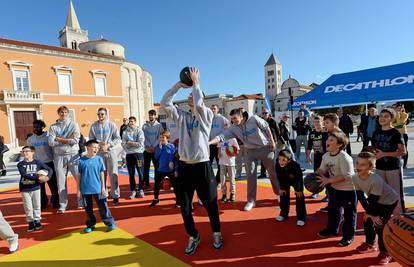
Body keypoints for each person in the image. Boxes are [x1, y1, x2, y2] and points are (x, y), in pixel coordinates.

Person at [161, 67, 223, 256]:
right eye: (189, 97)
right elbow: (165, 102)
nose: (191, 98)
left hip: (203, 166)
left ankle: (217, 233)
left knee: (211, 203)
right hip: (186, 168)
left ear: (201, 100)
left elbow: (198, 101)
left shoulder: (207, 116)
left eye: (194, 97)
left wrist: (196, 83)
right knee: (185, 208)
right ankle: (193, 235)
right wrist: (179, 85)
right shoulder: (182, 117)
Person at [210, 108, 279, 212]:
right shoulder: (233, 128)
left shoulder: (254, 119)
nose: (233, 120)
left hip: (265, 147)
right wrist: (210, 142)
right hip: (250, 151)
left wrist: (272, 141)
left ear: (241, 116)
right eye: (232, 119)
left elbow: (266, 127)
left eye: (235, 118)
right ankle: (251, 200)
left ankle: (278, 193)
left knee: (272, 172)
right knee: (250, 174)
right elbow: (222, 136)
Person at [353, 152, 399, 265]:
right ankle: (370, 244)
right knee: (367, 220)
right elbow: (361, 197)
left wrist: (372, 214)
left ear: (371, 167)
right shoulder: (355, 177)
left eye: (363, 164)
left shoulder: (375, 179)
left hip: (389, 201)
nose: (358, 166)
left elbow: (373, 200)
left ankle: (386, 252)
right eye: (357, 163)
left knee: (380, 225)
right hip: (376, 201)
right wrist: (368, 214)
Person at [317, 131, 356, 247]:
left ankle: (348, 236)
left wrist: (328, 180)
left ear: (339, 145)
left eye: (331, 140)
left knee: (349, 215)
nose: (327, 141)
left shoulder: (344, 158)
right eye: (328, 139)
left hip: (348, 190)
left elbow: (347, 176)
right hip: (334, 188)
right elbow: (321, 170)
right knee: (333, 211)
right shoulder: (326, 156)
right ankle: (332, 229)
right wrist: (314, 177)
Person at [371, 108, 406, 215]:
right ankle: (384, 215)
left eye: (386, 116)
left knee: (395, 193)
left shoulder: (395, 133)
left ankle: (398, 217)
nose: (382, 118)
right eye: (381, 116)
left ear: (392, 118)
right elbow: (374, 149)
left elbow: (403, 151)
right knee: (381, 192)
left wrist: (384, 154)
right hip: (379, 167)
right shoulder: (376, 132)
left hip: (393, 167)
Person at [76, 140, 116, 233]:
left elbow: (102, 173)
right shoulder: (81, 160)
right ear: (88, 147)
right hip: (85, 189)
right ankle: (90, 224)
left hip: (98, 188)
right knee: (88, 209)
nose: (96, 149)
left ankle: (109, 223)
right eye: (94, 147)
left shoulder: (99, 159)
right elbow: (79, 176)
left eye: (97, 147)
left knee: (103, 206)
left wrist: (103, 187)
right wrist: (78, 190)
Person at [48, 106, 81, 213]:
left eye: (66, 112)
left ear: (68, 113)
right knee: (61, 182)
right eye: (61, 112)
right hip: (59, 156)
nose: (64, 114)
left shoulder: (74, 124)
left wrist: (60, 139)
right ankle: (63, 205)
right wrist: (67, 140)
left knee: (79, 179)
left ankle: (81, 202)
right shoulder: (53, 127)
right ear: (58, 113)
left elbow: (75, 140)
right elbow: (51, 142)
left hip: (73, 154)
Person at [89, 107, 122, 206]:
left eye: (102, 114)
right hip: (99, 154)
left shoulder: (111, 124)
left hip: (110, 152)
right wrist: (98, 145)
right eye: (98, 114)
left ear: (106, 114)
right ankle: (104, 194)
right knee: (101, 175)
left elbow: (117, 138)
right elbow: (91, 139)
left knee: (113, 174)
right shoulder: (94, 126)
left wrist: (109, 144)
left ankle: (115, 195)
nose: (100, 116)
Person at [17, 146, 52, 232]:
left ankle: (37, 221)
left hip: (36, 187)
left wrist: (47, 177)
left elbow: (50, 169)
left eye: (27, 151)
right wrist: (38, 178)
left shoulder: (38, 162)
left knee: (37, 205)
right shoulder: (20, 164)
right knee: (28, 207)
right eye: (23, 151)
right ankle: (30, 222)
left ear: (33, 152)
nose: (25, 153)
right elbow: (24, 175)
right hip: (25, 188)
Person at [27, 120, 59, 209]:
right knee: (40, 186)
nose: (35, 129)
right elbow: (29, 153)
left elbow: (54, 150)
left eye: (37, 127)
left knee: (53, 185)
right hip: (37, 165)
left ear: (42, 127)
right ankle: (43, 202)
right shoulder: (30, 139)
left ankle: (55, 201)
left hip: (48, 164)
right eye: (34, 127)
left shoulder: (48, 137)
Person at [275, 149, 306, 226]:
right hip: (285, 180)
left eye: (283, 160)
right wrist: (281, 187)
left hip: (295, 180)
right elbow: (279, 176)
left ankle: (301, 217)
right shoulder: (277, 164)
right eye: (279, 159)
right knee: (283, 195)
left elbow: (299, 178)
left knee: (300, 197)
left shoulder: (295, 166)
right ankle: (283, 214)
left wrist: (299, 189)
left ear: (289, 160)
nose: (280, 162)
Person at [150, 131, 180, 208]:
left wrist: (175, 168)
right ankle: (156, 199)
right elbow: (156, 157)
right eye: (160, 137)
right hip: (161, 170)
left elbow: (174, 158)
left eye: (163, 137)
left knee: (176, 186)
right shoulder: (158, 147)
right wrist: (159, 148)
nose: (161, 139)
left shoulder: (172, 146)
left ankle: (178, 200)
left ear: (167, 138)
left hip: (170, 170)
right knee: (156, 185)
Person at [121, 116, 145, 199]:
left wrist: (131, 143)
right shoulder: (125, 132)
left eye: (132, 121)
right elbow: (123, 144)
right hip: (129, 155)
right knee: (131, 174)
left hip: (138, 154)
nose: (131, 123)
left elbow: (140, 143)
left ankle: (141, 189)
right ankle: (133, 190)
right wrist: (131, 145)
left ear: (135, 122)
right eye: (130, 121)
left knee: (140, 172)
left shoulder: (139, 131)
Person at [142, 110, 164, 188]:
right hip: (147, 149)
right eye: (149, 115)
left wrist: (154, 146)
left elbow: (160, 137)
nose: (150, 116)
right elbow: (144, 137)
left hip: (156, 150)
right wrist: (148, 146)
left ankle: (157, 182)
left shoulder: (159, 125)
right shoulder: (145, 125)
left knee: (157, 167)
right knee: (145, 167)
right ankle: (146, 183)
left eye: (152, 115)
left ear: (155, 116)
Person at [306, 116, 326, 198]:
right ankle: (316, 191)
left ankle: (328, 194)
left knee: (326, 174)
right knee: (316, 175)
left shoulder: (325, 132)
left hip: (326, 157)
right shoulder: (312, 133)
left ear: (322, 122)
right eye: (315, 122)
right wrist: (308, 156)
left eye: (318, 122)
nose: (317, 124)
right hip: (317, 156)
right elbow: (309, 146)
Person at [209, 104, 230, 183]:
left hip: (219, 145)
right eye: (212, 109)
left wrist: (224, 142)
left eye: (214, 109)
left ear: (218, 110)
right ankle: (211, 180)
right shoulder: (210, 119)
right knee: (208, 164)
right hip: (210, 144)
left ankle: (218, 181)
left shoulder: (222, 118)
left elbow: (228, 128)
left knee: (219, 164)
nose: (213, 110)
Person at [258, 108, 280, 178]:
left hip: (272, 142)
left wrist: (275, 141)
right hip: (263, 142)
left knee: (271, 158)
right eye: (263, 113)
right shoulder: (260, 121)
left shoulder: (273, 121)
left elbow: (278, 131)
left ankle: (272, 173)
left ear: (268, 113)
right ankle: (263, 173)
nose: (264, 114)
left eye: (266, 113)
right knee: (263, 158)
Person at [217, 138, 239, 202]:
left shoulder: (233, 139)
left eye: (227, 126)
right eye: (224, 126)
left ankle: (232, 194)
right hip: (222, 162)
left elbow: (237, 151)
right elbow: (219, 148)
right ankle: (224, 195)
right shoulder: (220, 137)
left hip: (230, 162)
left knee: (232, 179)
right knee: (222, 180)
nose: (225, 127)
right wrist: (219, 154)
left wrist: (231, 151)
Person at [393, 103, 409, 168]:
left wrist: (397, 114)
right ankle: (396, 162)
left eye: (400, 108)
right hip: (395, 134)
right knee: (395, 149)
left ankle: (404, 164)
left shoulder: (405, 114)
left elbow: (400, 124)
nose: (399, 109)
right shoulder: (393, 114)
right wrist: (396, 124)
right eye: (398, 107)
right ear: (395, 108)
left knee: (404, 149)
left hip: (403, 133)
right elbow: (391, 123)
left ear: (402, 108)